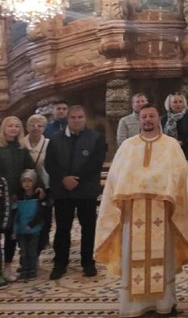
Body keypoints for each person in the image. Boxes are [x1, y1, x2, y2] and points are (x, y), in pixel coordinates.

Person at [95, 104, 188, 317]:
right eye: (144, 116)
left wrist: (155, 186)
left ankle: (164, 303)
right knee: (132, 259)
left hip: (163, 213)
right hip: (133, 213)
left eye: (152, 116)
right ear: (139, 119)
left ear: (159, 119)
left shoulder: (171, 145)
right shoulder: (128, 146)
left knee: (163, 259)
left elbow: (180, 175)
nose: (148, 119)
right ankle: (134, 306)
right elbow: (115, 179)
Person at [45, 106, 106, 280]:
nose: (77, 120)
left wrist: (76, 180)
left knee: (88, 228)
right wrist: (64, 179)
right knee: (62, 228)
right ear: (68, 119)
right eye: (73, 117)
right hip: (62, 190)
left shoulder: (96, 138)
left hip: (86, 190)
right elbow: (50, 163)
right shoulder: (55, 139)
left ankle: (88, 262)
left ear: (85, 118)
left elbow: (96, 163)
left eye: (80, 117)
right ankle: (60, 263)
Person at [0, 116, 36, 282]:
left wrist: (36, 185)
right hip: (1, 197)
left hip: (16, 199)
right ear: (4, 128)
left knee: (11, 234)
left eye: (17, 126)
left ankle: (8, 266)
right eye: (10, 126)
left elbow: (31, 169)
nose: (13, 129)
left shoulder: (22, 149)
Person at [19, 114, 51, 254]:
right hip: (24, 186)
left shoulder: (49, 144)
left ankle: (39, 248)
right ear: (27, 127)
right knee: (25, 216)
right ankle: (24, 251)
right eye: (32, 125)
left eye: (40, 125)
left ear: (44, 128)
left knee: (42, 216)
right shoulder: (21, 144)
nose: (36, 128)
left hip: (45, 184)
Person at [13, 169, 49, 282]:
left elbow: (40, 214)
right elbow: (16, 215)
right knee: (23, 251)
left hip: (34, 230)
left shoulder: (38, 197)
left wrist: (32, 224)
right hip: (21, 230)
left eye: (30, 181)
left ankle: (32, 269)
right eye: (24, 181)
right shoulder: (18, 198)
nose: (27, 184)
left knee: (32, 251)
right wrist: (15, 230)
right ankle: (25, 269)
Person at [162, 92, 188, 163]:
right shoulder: (164, 119)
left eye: (180, 102)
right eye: (175, 102)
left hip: (187, 153)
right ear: (169, 105)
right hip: (169, 154)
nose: (178, 104)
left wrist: (182, 142)